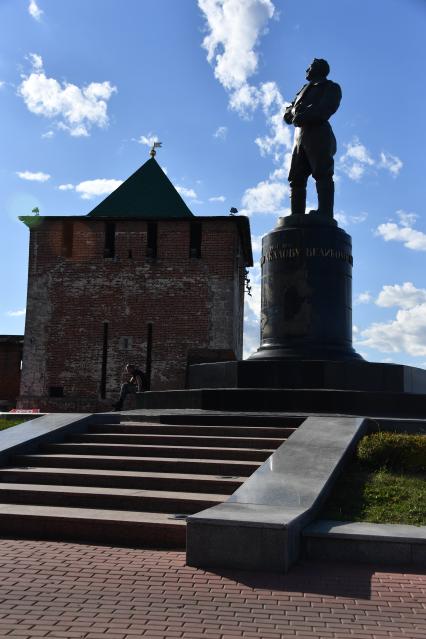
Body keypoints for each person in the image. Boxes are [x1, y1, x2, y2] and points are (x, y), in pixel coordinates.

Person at [284, 58, 342, 218]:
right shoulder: (303, 90)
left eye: (309, 67)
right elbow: (289, 111)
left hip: (319, 134)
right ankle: (296, 215)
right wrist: (292, 114)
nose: (306, 70)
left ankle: (325, 212)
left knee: (322, 172)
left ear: (318, 69)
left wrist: (303, 115)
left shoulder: (331, 87)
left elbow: (326, 108)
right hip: (299, 138)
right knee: (296, 178)